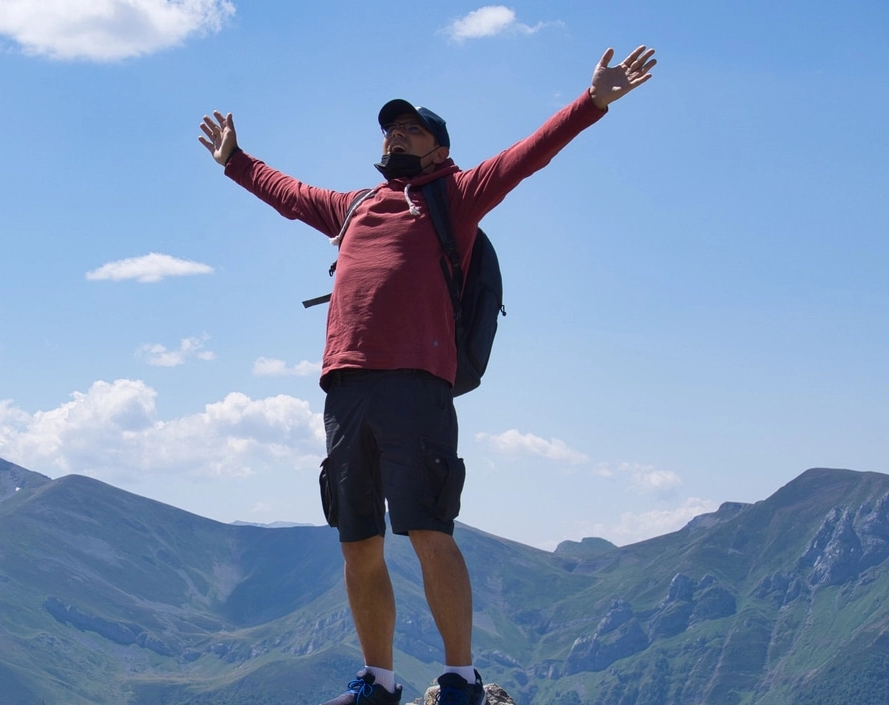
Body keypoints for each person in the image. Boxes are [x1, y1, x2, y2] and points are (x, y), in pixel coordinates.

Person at [199, 46, 657, 705]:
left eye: (411, 128)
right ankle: (380, 684)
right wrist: (236, 162)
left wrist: (593, 102)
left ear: (441, 150)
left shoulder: (456, 195)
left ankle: (462, 679)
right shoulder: (355, 207)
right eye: (390, 127)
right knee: (358, 539)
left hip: (418, 384)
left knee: (427, 529)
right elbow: (290, 196)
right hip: (346, 387)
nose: (395, 134)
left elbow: (527, 155)